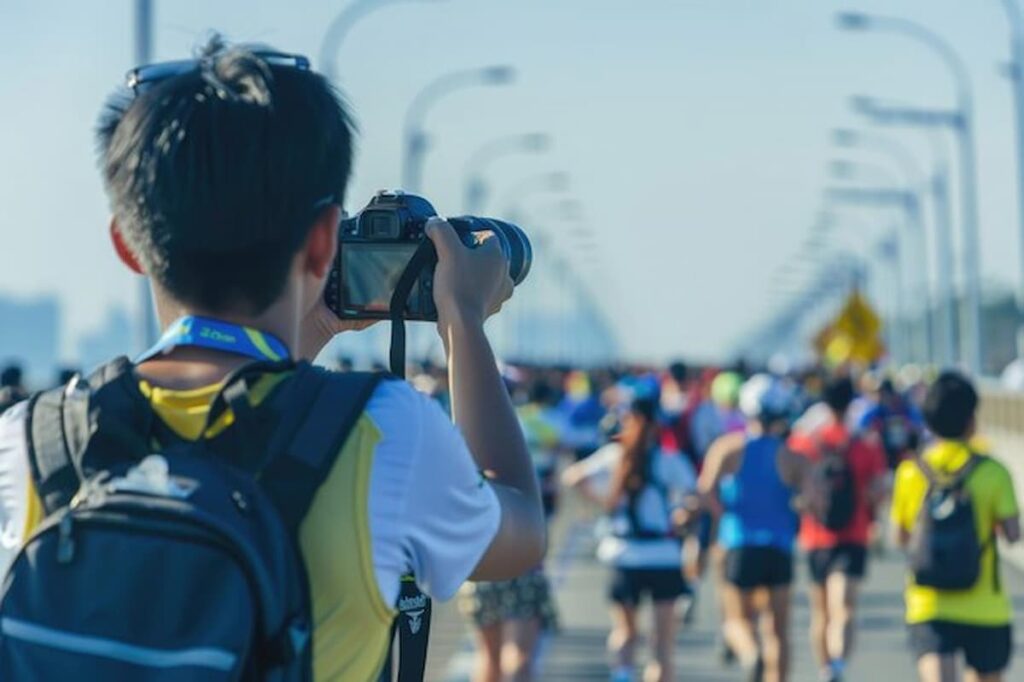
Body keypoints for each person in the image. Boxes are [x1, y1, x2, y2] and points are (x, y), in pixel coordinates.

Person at [0, 39, 545, 681]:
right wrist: (463, 321)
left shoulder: (31, 445)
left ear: (128, 244)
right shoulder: (385, 436)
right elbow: (521, 529)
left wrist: (306, 333)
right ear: (323, 241)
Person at [891, 372, 1020, 682]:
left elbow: (900, 537)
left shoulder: (911, 471)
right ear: (971, 420)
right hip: (985, 605)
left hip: (928, 602)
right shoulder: (993, 472)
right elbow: (1013, 535)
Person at [563, 397, 695, 682]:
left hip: (623, 553)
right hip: (663, 555)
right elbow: (693, 498)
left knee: (625, 633)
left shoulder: (614, 455)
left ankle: (622, 676)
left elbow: (572, 477)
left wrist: (602, 501)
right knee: (662, 645)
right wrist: (679, 515)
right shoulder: (669, 459)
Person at [697, 373, 809, 682]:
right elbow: (813, 500)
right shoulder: (793, 457)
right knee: (778, 630)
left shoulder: (728, 448)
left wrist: (723, 515)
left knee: (736, 621)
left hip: (739, 543)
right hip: (779, 547)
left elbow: (704, 492)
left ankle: (750, 655)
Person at [458, 378, 562, 682]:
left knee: (487, 658)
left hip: (478, 561)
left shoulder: (456, 431)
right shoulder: (532, 424)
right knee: (520, 656)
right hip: (522, 559)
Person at [788, 376, 888, 682]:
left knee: (820, 612)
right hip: (853, 534)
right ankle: (838, 666)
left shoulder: (805, 442)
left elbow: (793, 486)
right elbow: (879, 490)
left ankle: (824, 669)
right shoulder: (865, 444)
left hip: (815, 536)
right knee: (844, 608)